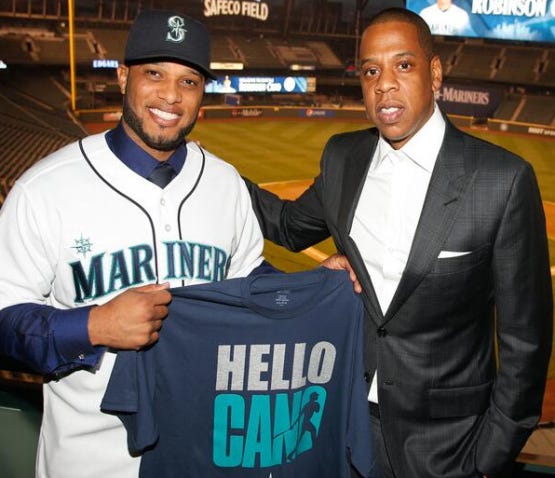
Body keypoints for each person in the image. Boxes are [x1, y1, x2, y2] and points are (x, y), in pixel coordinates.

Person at [245, 7, 553, 478]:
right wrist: (208, 169)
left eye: (403, 66)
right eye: (371, 70)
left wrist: (490, 457)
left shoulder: (502, 180)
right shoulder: (343, 157)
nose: (384, 83)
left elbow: (525, 340)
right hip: (346, 425)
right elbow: (288, 225)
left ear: (434, 74)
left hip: (452, 447)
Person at [0, 10, 264, 478]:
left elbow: (249, 282)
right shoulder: (43, 188)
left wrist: (315, 283)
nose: (170, 95)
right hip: (89, 464)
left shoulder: (226, 185)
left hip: (206, 456)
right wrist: (94, 325)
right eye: (155, 74)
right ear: (123, 76)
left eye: (189, 81)